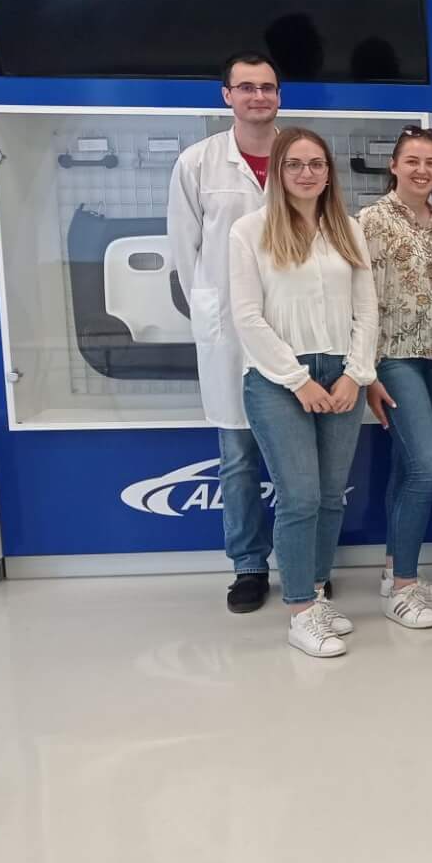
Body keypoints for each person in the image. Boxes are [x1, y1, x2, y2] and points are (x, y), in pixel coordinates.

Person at [228, 128, 378, 658]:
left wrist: (355, 374)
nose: (307, 173)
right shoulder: (249, 231)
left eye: (316, 163)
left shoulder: (348, 230)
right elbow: (246, 317)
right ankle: (298, 612)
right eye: (294, 164)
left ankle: (315, 594)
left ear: (329, 172)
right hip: (277, 379)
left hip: (341, 374)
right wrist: (298, 380)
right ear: (277, 171)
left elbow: (367, 310)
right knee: (300, 497)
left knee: (331, 495)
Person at [168, 52, 281, 614]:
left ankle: (304, 563)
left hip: (289, 330)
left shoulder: (299, 156)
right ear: (227, 96)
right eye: (247, 87)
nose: (259, 96)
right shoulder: (198, 162)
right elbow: (184, 250)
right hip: (230, 333)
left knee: (295, 458)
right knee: (237, 455)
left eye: (268, 87)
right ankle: (248, 567)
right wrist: (211, 313)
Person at [360, 127, 432, 630]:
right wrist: (366, 371)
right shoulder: (370, 221)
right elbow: (355, 299)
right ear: (394, 166)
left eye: (431, 163)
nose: (422, 170)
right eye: (413, 161)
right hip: (393, 359)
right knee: (427, 466)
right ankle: (402, 590)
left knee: (406, 467)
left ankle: (394, 571)